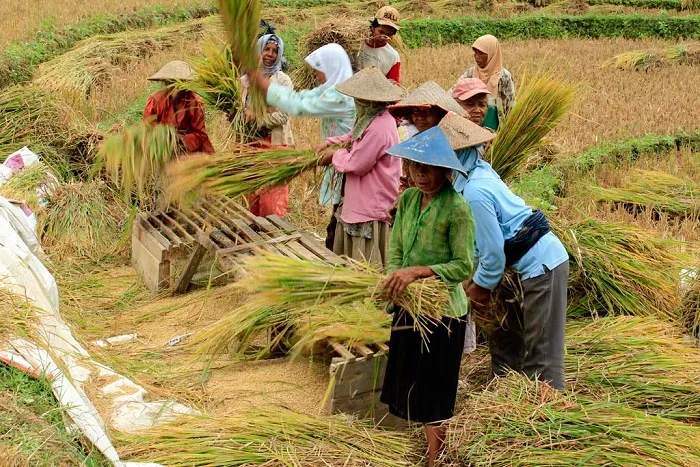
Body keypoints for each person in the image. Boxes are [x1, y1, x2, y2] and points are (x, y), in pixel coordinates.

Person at [439, 112, 569, 390]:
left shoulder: (475, 191)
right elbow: (480, 245)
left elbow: (494, 255)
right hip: (527, 266)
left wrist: (479, 288)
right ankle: (511, 396)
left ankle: (549, 416)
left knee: (542, 353)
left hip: (543, 266)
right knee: (515, 339)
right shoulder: (479, 171)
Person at [380, 126, 475, 467]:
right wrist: (392, 279)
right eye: (415, 165)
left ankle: (437, 458)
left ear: (446, 171)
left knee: (435, 389)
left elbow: (463, 266)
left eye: (428, 168)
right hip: (409, 306)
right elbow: (398, 250)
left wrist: (419, 272)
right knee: (411, 381)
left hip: (443, 313)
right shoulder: (406, 200)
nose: (419, 173)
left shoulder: (458, 210)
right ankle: (429, 446)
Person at [250, 43, 355, 248]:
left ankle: (342, 256)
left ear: (331, 67)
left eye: (318, 69)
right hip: (338, 158)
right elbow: (305, 97)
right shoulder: (333, 88)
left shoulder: (341, 95)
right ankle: (337, 250)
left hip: (350, 161)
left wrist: (264, 85)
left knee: (345, 212)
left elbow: (299, 106)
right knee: (340, 212)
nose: (315, 74)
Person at [316, 67, 405, 267]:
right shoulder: (370, 117)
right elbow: (353, 136)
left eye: (359, 98)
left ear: (371, 100)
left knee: (364, 264)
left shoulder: (381, 126)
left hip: (371, 203)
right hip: (360, 199)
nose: (356, 102)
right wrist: (331, 141)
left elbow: (358, 164)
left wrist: (334, 156)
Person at [241, 33, 295, 217]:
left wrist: (257, 117)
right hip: (251, 146)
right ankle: (255, 239)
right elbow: (239, 111)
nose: (270, 54)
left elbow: (283, 116)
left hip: (275, 146)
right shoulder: (245, 81)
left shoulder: (282, 81)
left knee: (272, 200)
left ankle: (271, 238)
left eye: (275, 51)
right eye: (267, 49)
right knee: (253, 195)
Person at [387, 81, 466, 192]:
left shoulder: (454, 145)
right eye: (416, 111)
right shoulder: (414, 143)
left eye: (428, 111)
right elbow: (407, 178)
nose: (420, 117)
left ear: (441, 114)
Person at [144, 60, 214, 154]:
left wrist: (179, 141)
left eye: (179, 83)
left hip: (191, 150)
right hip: (163, 149)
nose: (175, 87)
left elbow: (200, 134)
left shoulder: (194, 102)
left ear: (186, 84)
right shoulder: (155, 101)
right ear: (165, 83)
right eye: (171, 83)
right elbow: (148, 129)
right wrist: (164, 140)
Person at [450, 35, 515, 131]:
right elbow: (454, 92)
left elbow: (510, 106)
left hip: (494, 122)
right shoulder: (471, 72)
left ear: (492, 53)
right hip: (473, 122)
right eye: (475, 52)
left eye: (481, 53)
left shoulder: (503, 77)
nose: (476, 56)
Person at [357, 6, 402, 83]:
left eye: (389, 34)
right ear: (372, 28)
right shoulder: (356, 45)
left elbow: (393, 87)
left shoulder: (393, 57)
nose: (383, 37)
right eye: (381, 32)